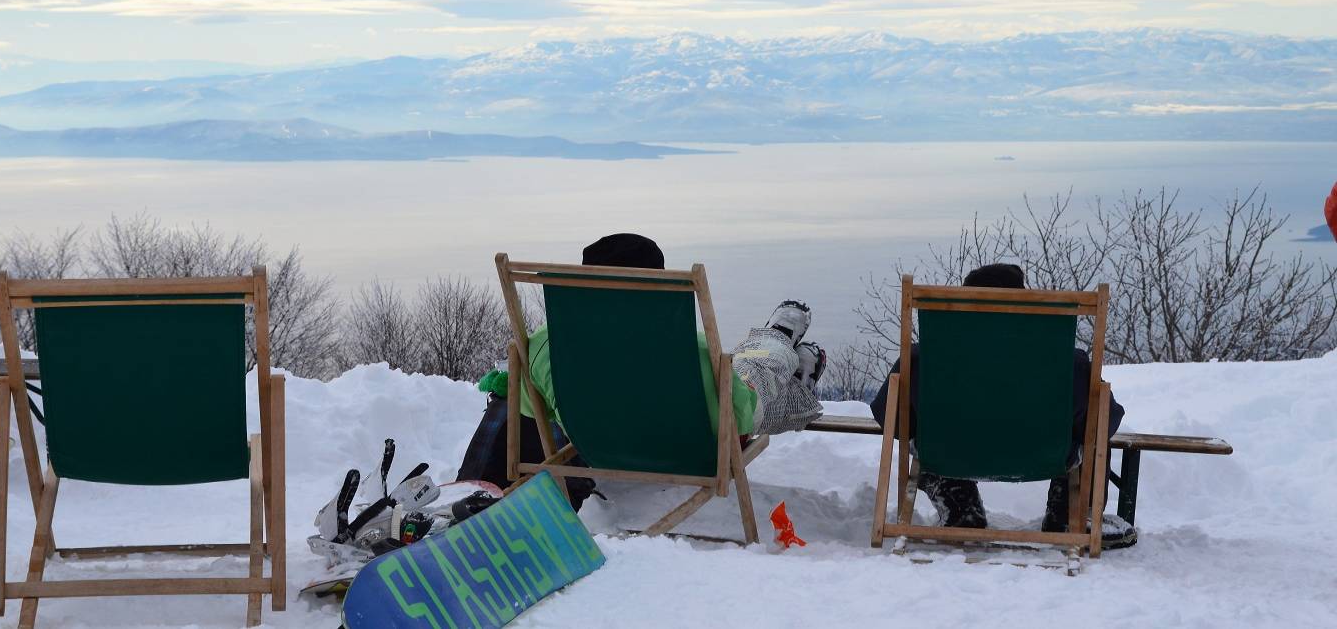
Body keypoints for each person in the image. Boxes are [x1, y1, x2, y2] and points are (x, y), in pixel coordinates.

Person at [459, 233, 827, 507]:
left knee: (741, 374)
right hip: (685, 452)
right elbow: (740, 417)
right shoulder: (687, 349)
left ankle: (793, 363)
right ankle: (781, 345)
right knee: (754, 373)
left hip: (595, 447)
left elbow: (527, 405)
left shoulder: (543, 343)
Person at [869, 263, 1134, 547]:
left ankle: (960, 504)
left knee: (923, 433)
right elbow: (1107, 421)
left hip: (950, 454)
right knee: (1095, 423)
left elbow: (889, 415)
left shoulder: (924, 361)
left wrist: (931, 437)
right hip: (1041, 454)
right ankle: (1068, 515)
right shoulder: (1068, 365)